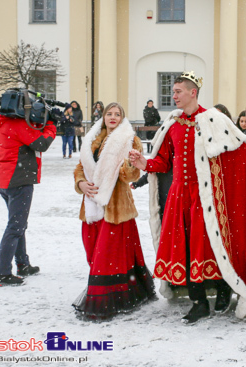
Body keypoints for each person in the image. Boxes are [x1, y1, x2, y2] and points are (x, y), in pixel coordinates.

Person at [128, 71, 246, 324]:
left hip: (208, 198)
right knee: (186, 249)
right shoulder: (172, 124)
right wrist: (145, 163)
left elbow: (237, 154)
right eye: (173, 91)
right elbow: (163, 162)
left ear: (192, 92)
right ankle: (199, 302)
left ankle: (224, 289)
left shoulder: (214, 120)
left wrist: (231, 193)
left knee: (212, 247)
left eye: (178, 91)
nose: (173, 96)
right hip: (179, 197)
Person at [72, 102, 156, 320]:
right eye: (109, 113)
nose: (112, 117)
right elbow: (80, 168)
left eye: (117, 114)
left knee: (106, 258)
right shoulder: (92, 141)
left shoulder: (130, 141)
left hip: (116, 207)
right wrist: (81, 183)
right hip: (91, 206)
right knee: (93, 253)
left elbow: (131, 177)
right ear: (103, 116)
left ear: (122, 118)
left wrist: (130, 165)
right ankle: (125, 291)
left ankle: (105, 300)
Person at [0, 97, 58, 286]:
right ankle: (2, 273)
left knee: (18, 223)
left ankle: (23, 264)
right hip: (18, 179)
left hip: (5, 179)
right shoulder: (18, 125)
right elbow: (42, 143)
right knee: (15, 227)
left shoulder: (2, 123)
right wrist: (51, 124)